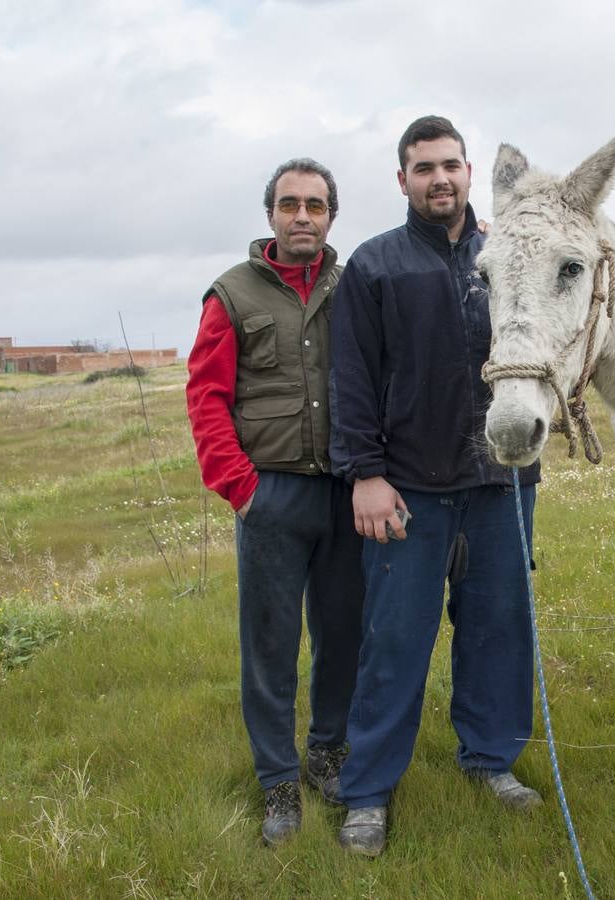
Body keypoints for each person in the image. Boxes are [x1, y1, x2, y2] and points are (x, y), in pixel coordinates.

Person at [330, 115, 542, 857]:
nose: (439, 179)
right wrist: (366, 475)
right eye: (423, 168)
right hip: (407, 488)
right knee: (394, 641)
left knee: (499, 631)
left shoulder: (504, 255)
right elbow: (350, 380)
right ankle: (367, 793)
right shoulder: (375, 266)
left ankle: (490, 760)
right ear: (402, 181)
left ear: (469, 172)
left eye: (450, 165)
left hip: (501, 480)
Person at [187, 158, 364, 845]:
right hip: (272, 496)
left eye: (315, 206)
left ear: (330, 217)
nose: (302, 217)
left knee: (343, 637)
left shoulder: (357, 289)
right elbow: (205, 399)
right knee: (269, 647)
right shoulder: (231, 295)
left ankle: (327, 755)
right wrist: (244, 490)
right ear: (270, 216)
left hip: (345, 496)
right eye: (289, 204)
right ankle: (277, 782)